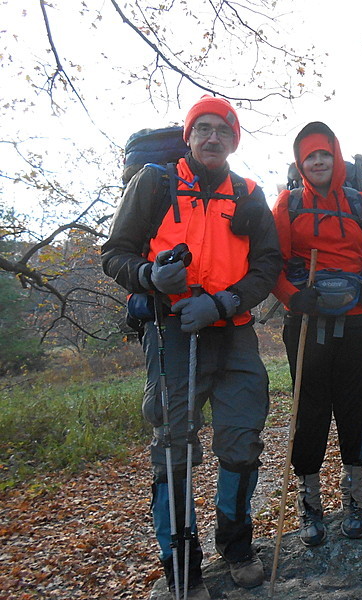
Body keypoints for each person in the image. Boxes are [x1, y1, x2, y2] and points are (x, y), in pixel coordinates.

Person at [101, 95, 282, 599]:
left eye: (222, 130)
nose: (211, 137)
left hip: (234, 334)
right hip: (172, 335)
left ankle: (238, 548)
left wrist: (226, 303)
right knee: (173, 452)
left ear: (233, 140)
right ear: (189, 136)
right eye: (202, 128)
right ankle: (183, 568)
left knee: (242, 443)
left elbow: (268, 265)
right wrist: (149, 277)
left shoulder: (249, 194)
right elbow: (113, 255)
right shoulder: (155, 184)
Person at [271, 121, 362, 547]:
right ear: (300, 163)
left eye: (325, 153)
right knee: (309, 413)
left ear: (337, 156)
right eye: (310, 156)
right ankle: (310, 505)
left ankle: (354, 499)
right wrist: (293, 297)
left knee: (354, 407)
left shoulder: (360, 204)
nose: (319, 161)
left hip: (359, 326)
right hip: (308, 324)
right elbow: (271, 263)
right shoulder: (287, 206)